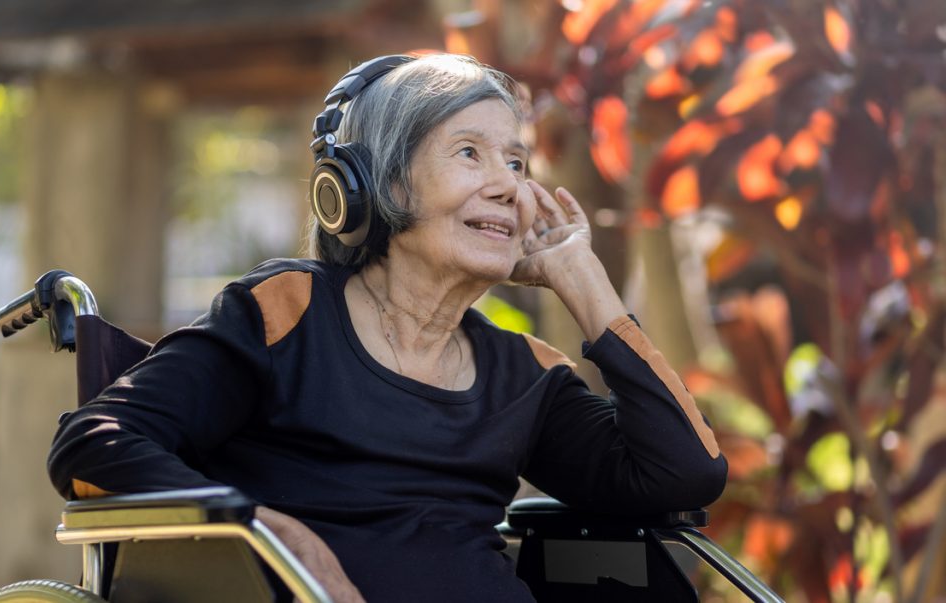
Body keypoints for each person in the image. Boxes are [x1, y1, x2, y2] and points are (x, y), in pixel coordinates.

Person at [48, 53, 727, 602]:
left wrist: (584, 279)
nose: (508, 186)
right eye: (470, 153)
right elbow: (94, 442)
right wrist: (271, 533)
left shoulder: (524, 373)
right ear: (381, 184)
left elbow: (684, 474)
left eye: (516, 163)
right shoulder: (288, 314)